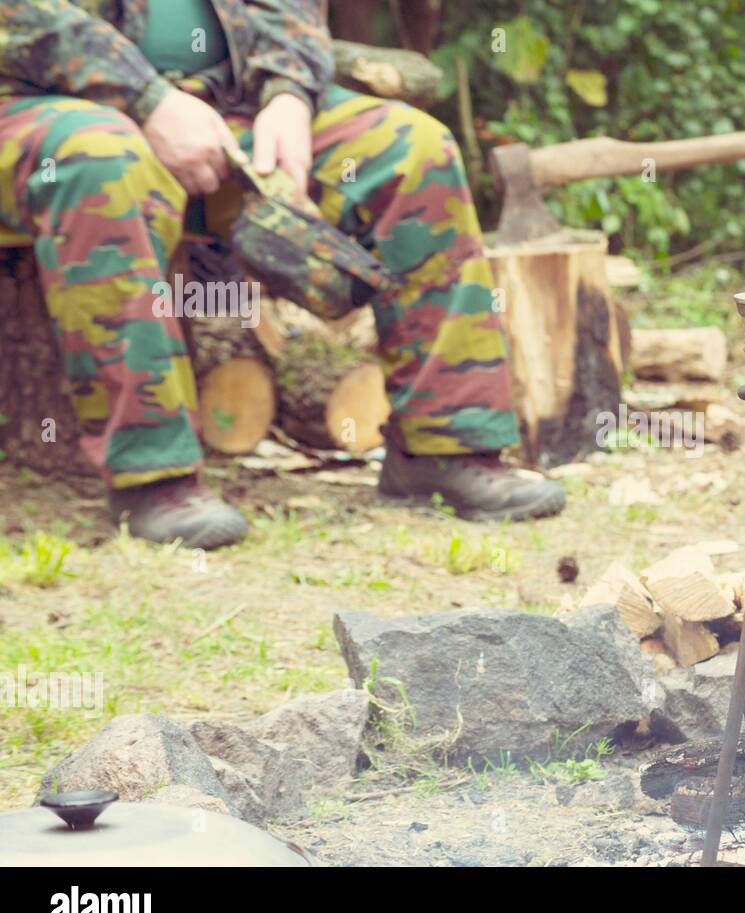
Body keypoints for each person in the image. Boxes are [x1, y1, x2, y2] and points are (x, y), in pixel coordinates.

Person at [0, 0, 564, 549]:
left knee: (413, 149)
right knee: (103, 158)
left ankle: (446, 449)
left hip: (226, 106)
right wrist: (149, 100)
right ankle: (155, 479)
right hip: (43, 105)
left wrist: (289, 95)